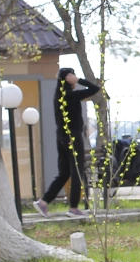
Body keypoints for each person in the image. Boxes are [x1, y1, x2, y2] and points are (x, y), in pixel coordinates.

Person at [34, 68, 102, 217]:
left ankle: (43, 202)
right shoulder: (71, 95)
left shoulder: (59, 95)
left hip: (62, 137)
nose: (75, 78)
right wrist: (79, 81)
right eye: (73, 76)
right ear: (69, 78)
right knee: (77, 172)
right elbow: (95, 88)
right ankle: (73, 208)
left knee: (64, 173)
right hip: (73, 136)